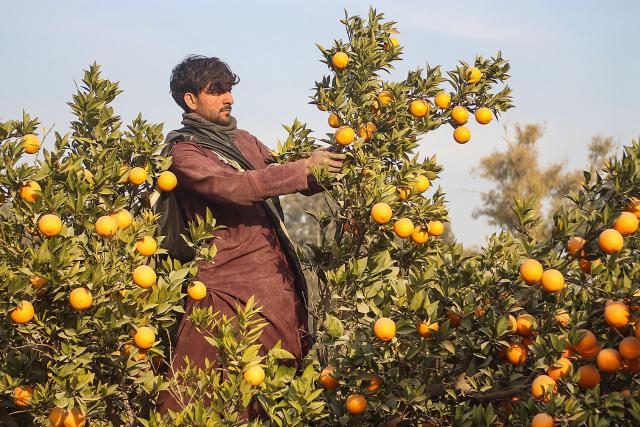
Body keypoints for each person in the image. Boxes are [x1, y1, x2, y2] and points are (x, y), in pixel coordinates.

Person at [156, 55, 345, 414]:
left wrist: (334, 160)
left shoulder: (244, 141)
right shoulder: (185, 153)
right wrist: (302, 170)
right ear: (190, 100)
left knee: (275, 389)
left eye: (228, 89)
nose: (228, 98)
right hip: (225, 290)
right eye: (216, 91)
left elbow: (281, 174)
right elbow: (233, 187)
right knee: (197, 396)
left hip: (279, 283)